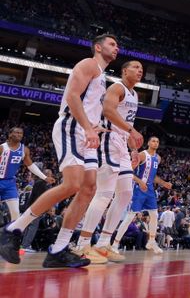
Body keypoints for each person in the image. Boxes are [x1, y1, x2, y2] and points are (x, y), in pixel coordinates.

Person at [0, 34, 119, 268]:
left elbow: (87, 104)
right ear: (98, 46)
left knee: (88, 189)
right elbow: (73, 96)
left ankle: (59, 248)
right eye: (112, 44)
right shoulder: (88, 64)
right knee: (73, 184)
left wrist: (96, 126)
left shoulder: (102, 75)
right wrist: (87, 127)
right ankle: (13, 229)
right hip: (72, 128)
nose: (117, 48)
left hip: (87, 132)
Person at [74, 60, 146, 263]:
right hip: (109, 139)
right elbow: (108, 111)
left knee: (125, 194)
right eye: (135, 67)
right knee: (105, 192)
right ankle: (82, 245)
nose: (140, 71)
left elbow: (127, 123)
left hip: (122, 143)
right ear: (124, 71)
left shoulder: (135, 94)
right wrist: (131, 131)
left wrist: (133, 148)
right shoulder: (117, 87)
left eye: (142, 69)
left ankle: (104, 243)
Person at [111, 136, 172, 254]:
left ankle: (152, 241)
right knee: (130, 217)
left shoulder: (158, 158)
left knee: (154, 214)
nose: (156, 143)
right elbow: (129, 171)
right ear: (148, 143)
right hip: (138, 188)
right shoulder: (142, 155)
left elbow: (153, 176)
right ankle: (115, 244)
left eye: (158, 141)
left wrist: (164, 183)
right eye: (153, 141)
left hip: (149, 189)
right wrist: (140, 182)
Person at [0, 126, 53, 221]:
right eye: (16, 132)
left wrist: (44, 177)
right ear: (10, 134)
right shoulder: (2, 148)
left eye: (21, 133)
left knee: (16, 214)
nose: (19, 134)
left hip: (10, 183)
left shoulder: (24, 150)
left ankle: (11, 235)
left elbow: (31, 166)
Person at [20, 168, 56, 252]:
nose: (51, 176)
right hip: (35, 208)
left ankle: (23, 245)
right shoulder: (42, 183)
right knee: (32, 227)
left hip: (30, 207)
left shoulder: (39, 182)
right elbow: (41, 198)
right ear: (48, 175)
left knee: (29, 227)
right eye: (50, 175)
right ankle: (26, 246)